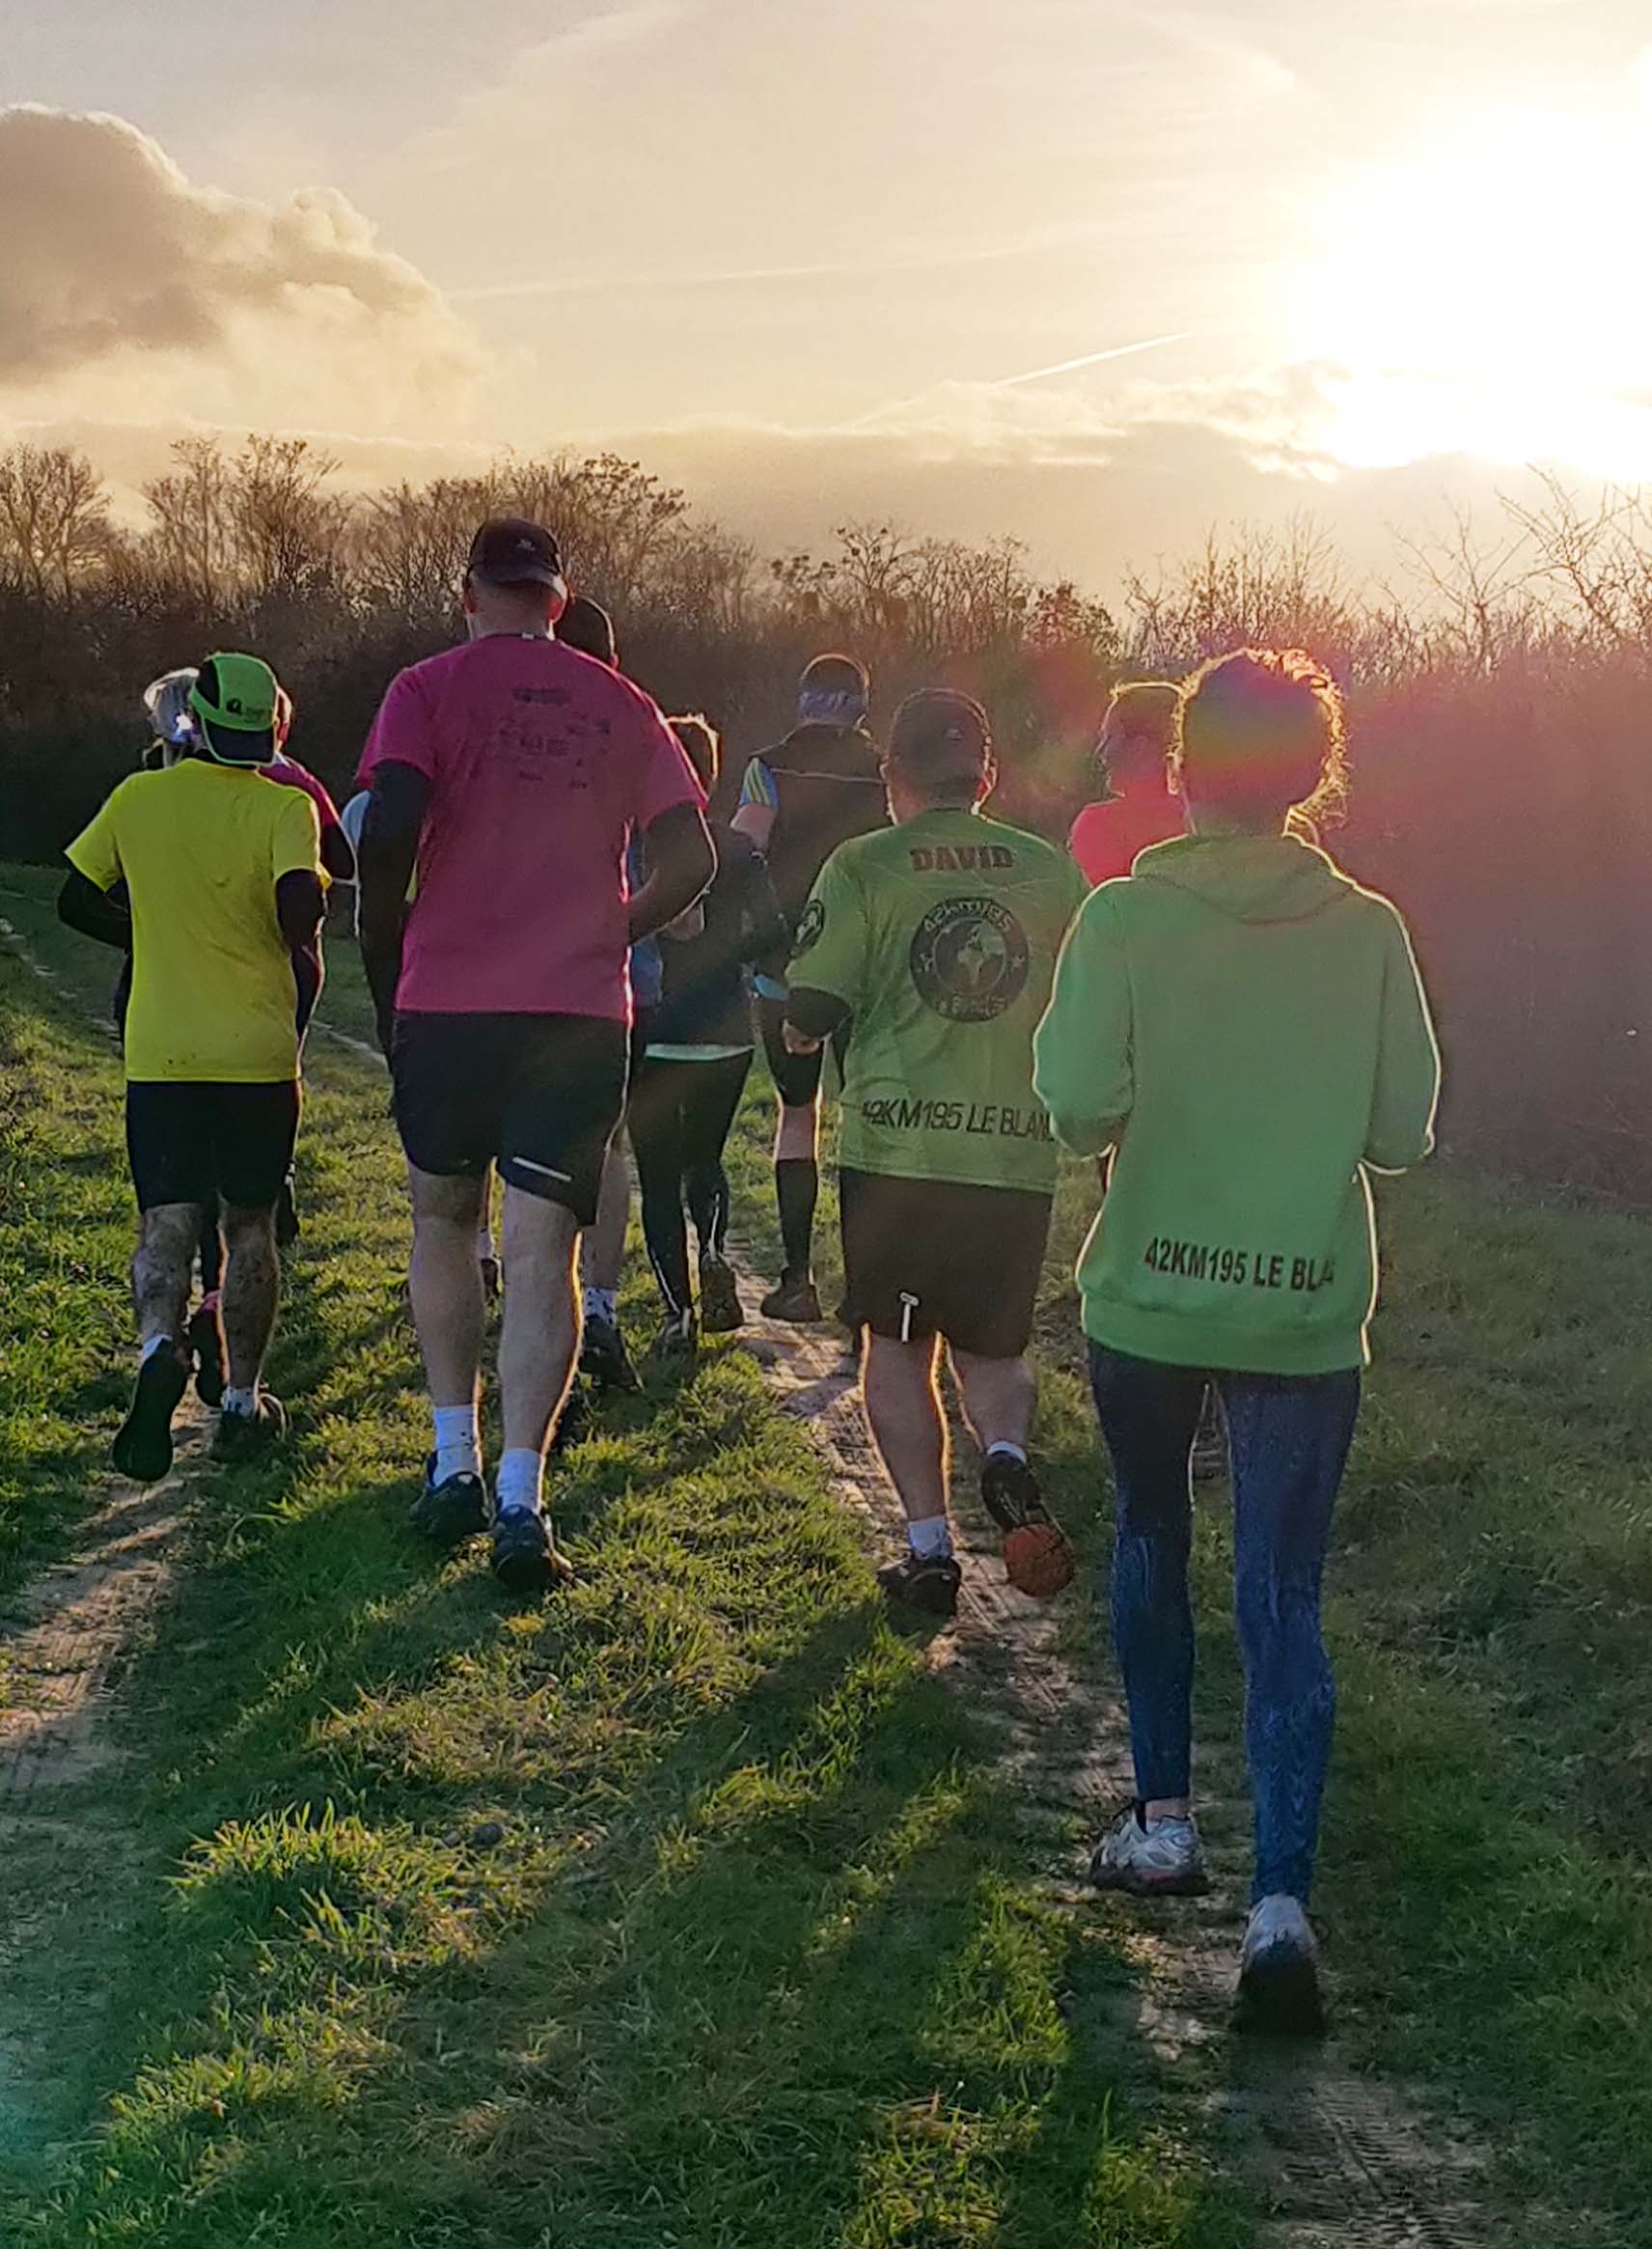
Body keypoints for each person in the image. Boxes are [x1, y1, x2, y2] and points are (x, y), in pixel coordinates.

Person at [1033, 647, 1441, 2035]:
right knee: (1285, 1593)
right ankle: (1280, 1902)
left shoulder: (1123, 917)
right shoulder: (1373, 928)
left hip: (1146, 1294)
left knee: (1153, 1532)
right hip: (1308, 1306)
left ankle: (1161, 1824)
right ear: (1313, 776)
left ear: (1182, 767)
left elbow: (1076, 1107)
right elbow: (1404, 1132)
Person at [354, 518, 712, 1596]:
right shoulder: (621, 699)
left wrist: (387, 957)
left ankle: (452, 1461)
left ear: (468, 591)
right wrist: (618, 924)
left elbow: (384, 832)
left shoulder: (422, 687)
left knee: (441, 1221)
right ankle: (524, 1496)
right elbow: (692, 855)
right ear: (559, 599)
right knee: (545, 1246)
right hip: (573, 1007)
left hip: (450, 998)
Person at [784, 689, 1087, 1620]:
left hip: (900, 1153)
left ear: (892, 778)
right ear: (985, 778)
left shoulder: (865, 866)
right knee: (994, 1349)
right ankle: (1005, 1456)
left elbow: (814, 1009)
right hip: (1014, 1154)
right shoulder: (1052, 874)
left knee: (899, 1345)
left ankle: (927, 1550)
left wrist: (799, 1030)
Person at [59, 652, 325, 1479]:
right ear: (267, 728)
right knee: (248, 1228)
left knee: (166, 1222)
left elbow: (72, 896)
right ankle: (243, 1402)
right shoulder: (288, 808)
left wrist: (151, 937)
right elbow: (301, 916)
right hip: (255, 1053)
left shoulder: (138, 797)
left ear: (197, 722)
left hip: (163, 1051)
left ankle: (154, 1353)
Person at [732, 652, 885, 1321]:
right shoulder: (886, 771)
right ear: (861, 707)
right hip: (872, 966)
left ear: (803, 701)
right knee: (867, 1122)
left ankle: (798, 1282)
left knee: (799, 1116)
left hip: (785, 966)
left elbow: (745, 850)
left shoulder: (767, 767)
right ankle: (868, 1291)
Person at [630, 715, 788, 1358]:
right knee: (707, 1161)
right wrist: (730, 953)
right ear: (715, 774)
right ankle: (716, 1249)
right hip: (726, 1034)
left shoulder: (636, 850)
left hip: (656, 1031)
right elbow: (776, 932)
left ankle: (678, 1317)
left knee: (658, 1178)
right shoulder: (739, 851)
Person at [556, 593, 647, 1393]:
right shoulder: (627, 722)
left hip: (515, 975)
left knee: (510, 1160)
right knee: (607, 1148)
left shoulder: (505, 721)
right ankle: (602, 1307)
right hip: (615, 982)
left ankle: (528, 1293)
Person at [1066, 680, 1184, 888]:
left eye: (1110, 738)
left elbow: (1091, 912)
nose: (1100, 752)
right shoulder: (1211, 823)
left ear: (1141, 748)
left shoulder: (1098, 825)